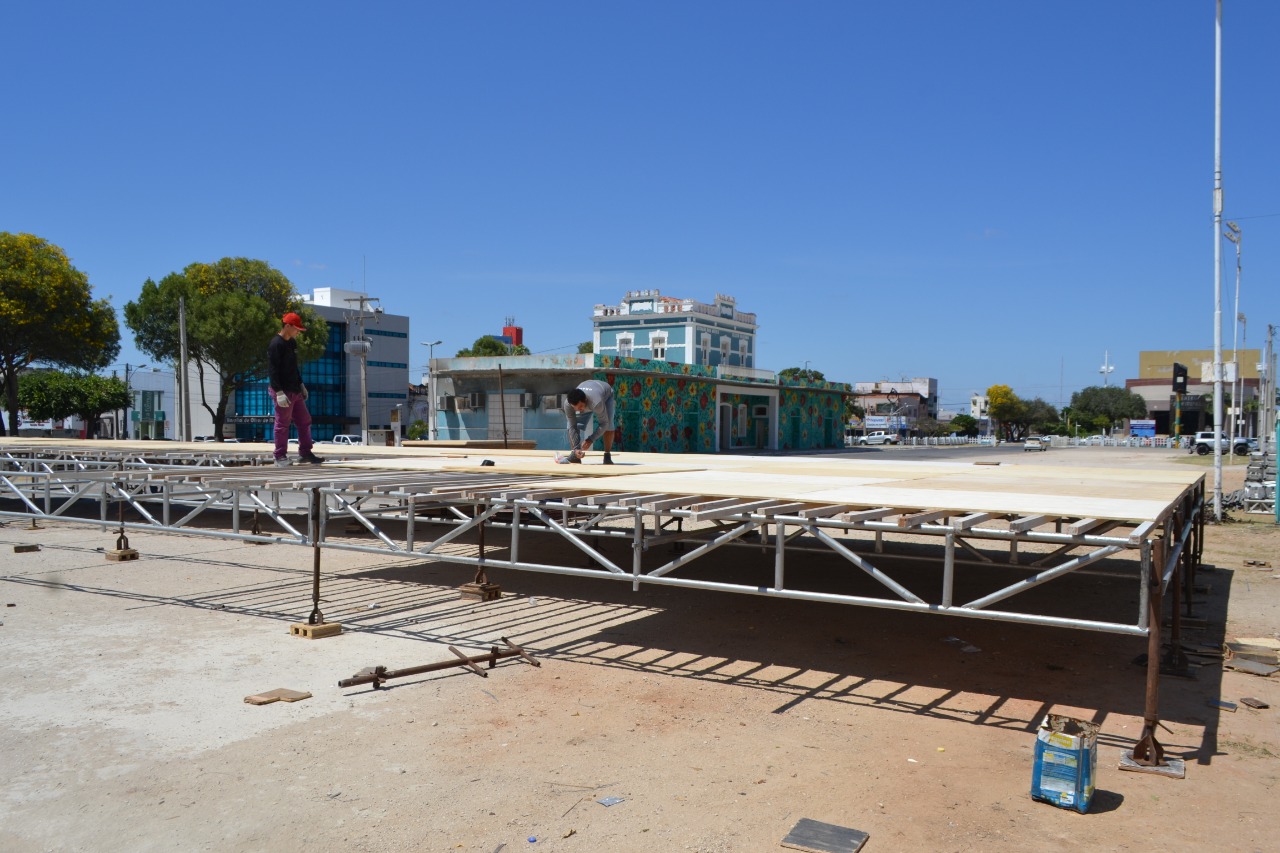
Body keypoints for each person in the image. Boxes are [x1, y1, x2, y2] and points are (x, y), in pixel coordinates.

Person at [267, 312, 323, 466]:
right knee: (282, 424)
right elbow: (272, 371)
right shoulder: (275, 344)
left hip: (294, 390)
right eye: (296, 329)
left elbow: (293, 368)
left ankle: (305, 453)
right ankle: (279, 456)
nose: (298, 332)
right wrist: (279, 392)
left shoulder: (292, 343)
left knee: (305, 420)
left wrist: (301, 385)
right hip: (282, 391)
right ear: (287, 326)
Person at [560, 379, 615, 464]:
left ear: (585, 400)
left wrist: (590, 439)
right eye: (576, 408)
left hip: (606, 395)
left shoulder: (596, 402)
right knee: (570, 424)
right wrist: (576, 448)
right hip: (589, 390)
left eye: (581, 406)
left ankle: (607, 455)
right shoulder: (567, 404)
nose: (579, 410)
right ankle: (575, 454)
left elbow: (604, 423)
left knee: (609, 424)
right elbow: (572, 425)